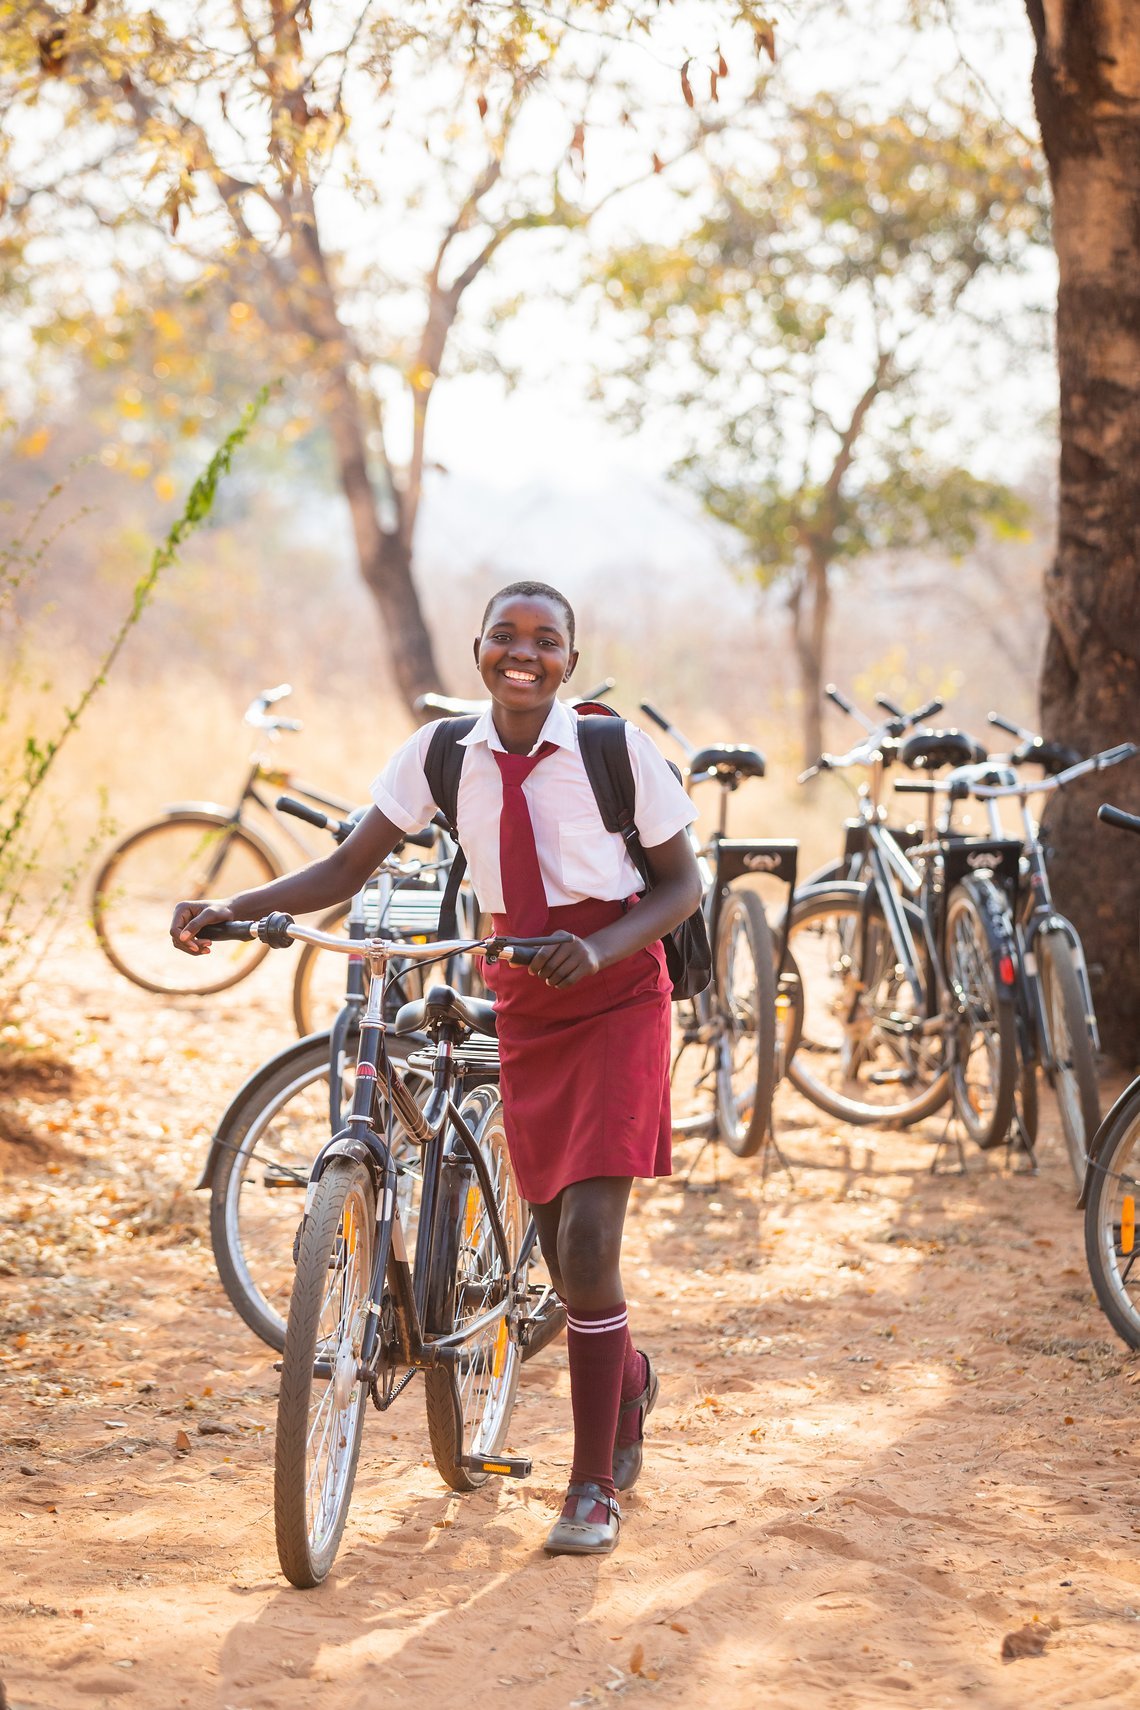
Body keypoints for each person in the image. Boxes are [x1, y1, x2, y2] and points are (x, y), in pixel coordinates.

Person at [170, 580, 702, 1557]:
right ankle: (623, 1378)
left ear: (569, 663)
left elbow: (681, 885)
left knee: (587, 1242)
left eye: (547, 641)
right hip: (529, 998)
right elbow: (343, 871)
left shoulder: (611, 750)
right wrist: (231, 909)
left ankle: (591, 1489)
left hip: (621, 988)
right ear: (478, 648)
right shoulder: (443, 753)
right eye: (507, 636)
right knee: (552, 1242)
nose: (524, 653)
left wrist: (599, 948)